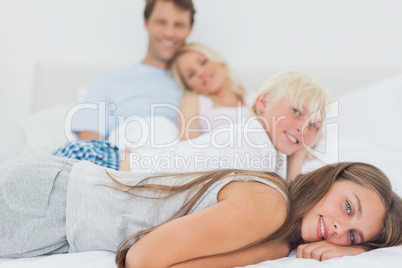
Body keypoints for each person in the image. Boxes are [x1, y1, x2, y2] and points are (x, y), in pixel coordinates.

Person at [1, 156, 401, 268]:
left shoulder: (275, 215)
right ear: (329, 177)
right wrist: (276, 250)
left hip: (57, 216)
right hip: (50, 204)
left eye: (352, 234)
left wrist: (355, 252)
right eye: (348, 207)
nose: (336, 228)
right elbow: (142, 261)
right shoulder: (270, 205)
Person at [54, 71, 327, 181]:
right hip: (105, 163)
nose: (304, 128)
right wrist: (298, 156)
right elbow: (286, 211)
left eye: (314, 125)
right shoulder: (253, 140)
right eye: (296, 112)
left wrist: (299, 153)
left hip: (113, 167)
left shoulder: (271, 153)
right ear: (263, 102)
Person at [71, 0, 195, 141]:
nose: (169, 33)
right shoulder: (108, 80)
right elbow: (88, 144)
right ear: (146, 23)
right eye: (161, 22)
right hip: (120, 158)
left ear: (190, 29)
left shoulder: (197, 83)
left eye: (179, 25)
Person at [168, 42, 253, 140]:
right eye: (191, 74)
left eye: (203, 62)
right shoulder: (193, 102)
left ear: (218, 61)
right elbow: (188, 148)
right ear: (188, 86)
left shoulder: (255, 96)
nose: (200, 72)